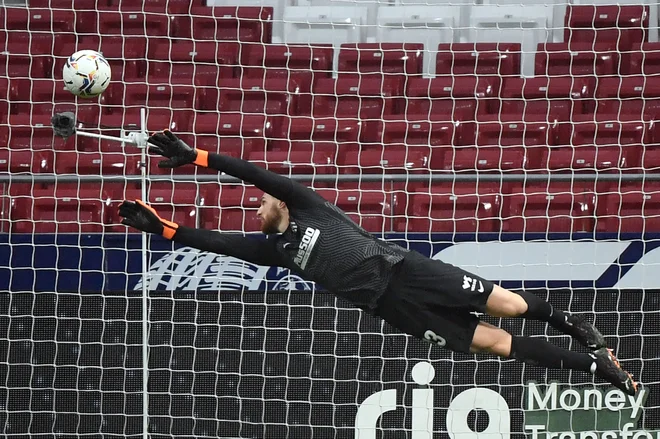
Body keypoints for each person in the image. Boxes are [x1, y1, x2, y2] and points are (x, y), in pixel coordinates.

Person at [119, 130, 638, 396]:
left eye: (259, 204)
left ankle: (575, 325)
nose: (256, 208)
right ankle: (601, 368)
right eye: (256, 206)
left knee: (507, 304)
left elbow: (254, 173)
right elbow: (216, 244)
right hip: (391, 305)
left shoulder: (304, 204)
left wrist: (198, 160)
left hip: (404, 268)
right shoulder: (273, 250)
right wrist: (163, 228)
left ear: (278, 204)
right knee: (497, 345)